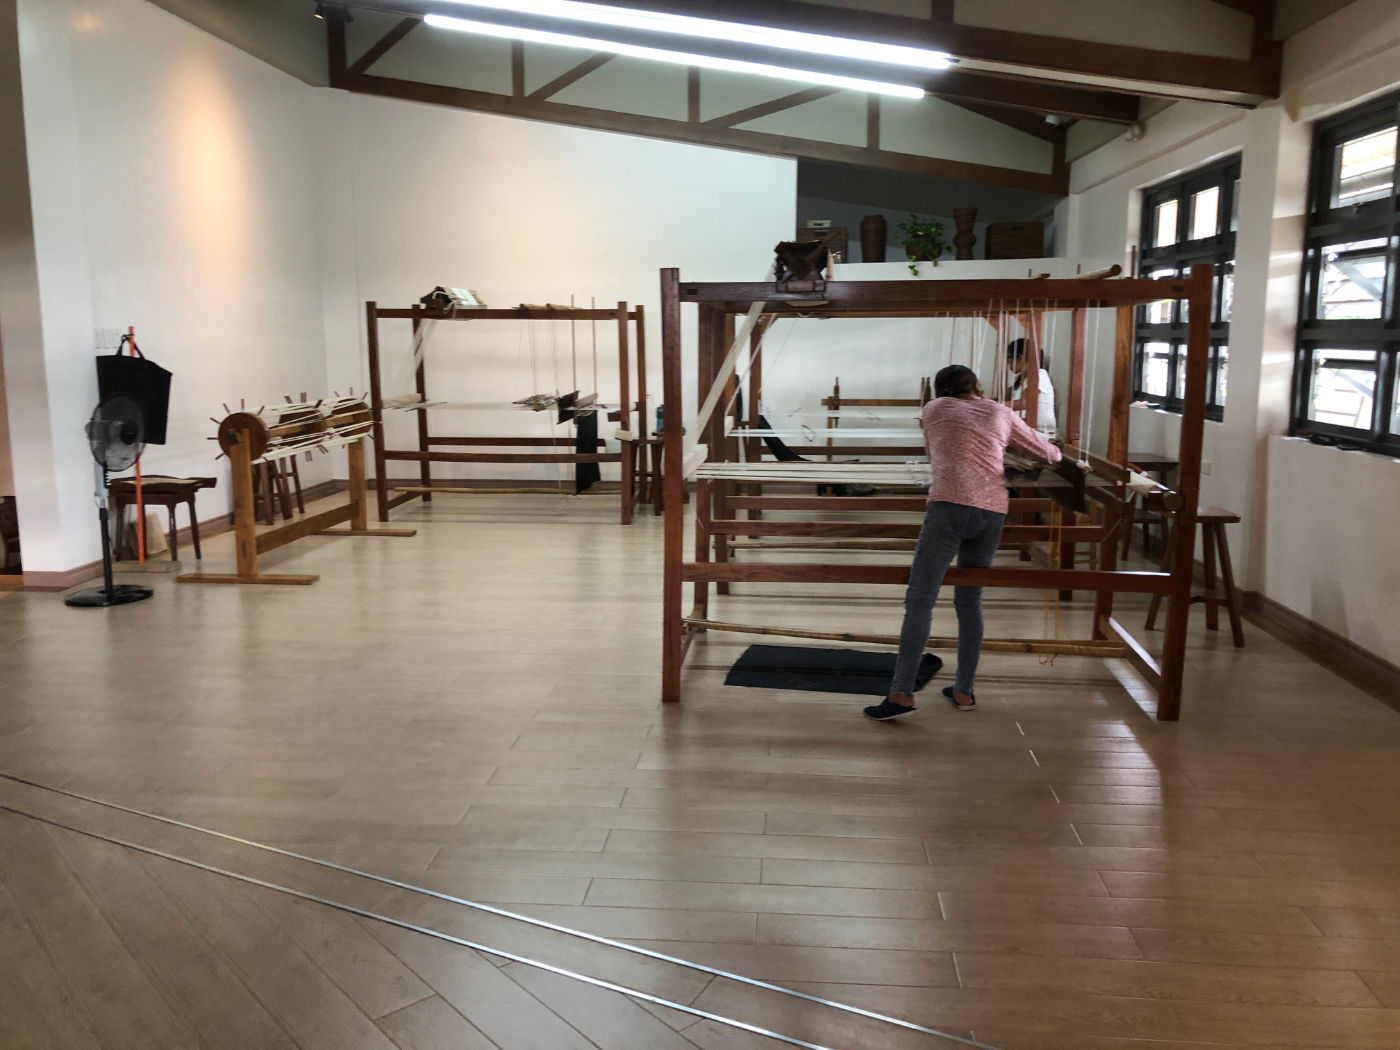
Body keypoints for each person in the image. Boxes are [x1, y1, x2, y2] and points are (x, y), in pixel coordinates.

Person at [863, 364, 1061, 719]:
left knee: (920, 599)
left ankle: (901, 694)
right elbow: (1049, 455)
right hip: (992, 512)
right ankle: (964, 691)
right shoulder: (1001, 412)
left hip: (949, 507)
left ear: (941, 392)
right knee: (970, 601)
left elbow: (935, 451)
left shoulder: (933, 409)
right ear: (978, 387)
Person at [1007, 338, 1057, 435]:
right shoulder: (1020, 380)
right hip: (1027, 431)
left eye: (1009, 359)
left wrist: (995, 406)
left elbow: (1025, 403)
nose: (1008, 364)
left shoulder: (1040, 375)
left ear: (1021, 358)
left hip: (1041, 435)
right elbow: (1002, 398)